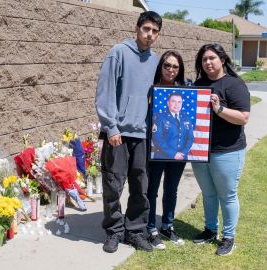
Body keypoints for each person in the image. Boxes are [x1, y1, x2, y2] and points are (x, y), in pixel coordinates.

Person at [95, 11, 162, 253]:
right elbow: (105, 92)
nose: (150, 35)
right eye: (146, 29)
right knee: (113, 185)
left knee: (140, 187)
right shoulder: (118, 53)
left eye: (155, 31)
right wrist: (111, 126)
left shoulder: (155, 61)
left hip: (144, 134)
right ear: (137, 28)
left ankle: (135, 231)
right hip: (119, 134)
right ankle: (114, 231)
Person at [191, 43, 250, 256]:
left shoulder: (234, 85)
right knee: (208, 194)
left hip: (227, 151)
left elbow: (244, 117)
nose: (208, 62)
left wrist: (219, 109)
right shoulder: (198, 85)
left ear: (222, 60)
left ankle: (228, 237)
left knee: (227, 195)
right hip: (199, 150)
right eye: (204, 59)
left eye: (212, 58)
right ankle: (210, 230)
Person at [146, 50, 191, 249]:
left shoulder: (186, 90)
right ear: (161, 66)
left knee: (171, 189)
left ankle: (167, 225)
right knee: (152, 190)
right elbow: (156, 134)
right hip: (157, 152)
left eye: (175, 66)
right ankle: (150, 228)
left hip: (179, 156)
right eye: (167, 65)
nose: (171, 69)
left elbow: (190, 134)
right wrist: (172, 152)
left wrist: (182, 151)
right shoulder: (151, 89)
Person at [152, 91, 194, 160]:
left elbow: (190, 138)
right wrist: (173, 154)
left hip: (181, 157)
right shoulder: (160, 117)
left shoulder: (186, 118)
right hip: (162, 157)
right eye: (173, 101)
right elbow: (157, 138)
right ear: (168, 103)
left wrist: (183, 153)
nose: (176, 104)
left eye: (179, 102)